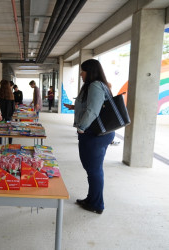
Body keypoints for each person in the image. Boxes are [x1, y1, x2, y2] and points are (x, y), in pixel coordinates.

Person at [72, 59, 115, 214]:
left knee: (94, 169)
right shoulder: (97, 85)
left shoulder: (96, 85)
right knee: (93, 169)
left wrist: (81, 127)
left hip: (94, 134)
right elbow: (89, 106)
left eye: (83, 71)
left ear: (90, 71)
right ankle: (92, 199)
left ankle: (97, 204)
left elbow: (93, 111)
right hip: (97, 134)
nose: (81, 74)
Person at [0, 80, 15, 145]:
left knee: (0, 130)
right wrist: (10, 114)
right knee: (9, 130)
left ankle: (0, 144)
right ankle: (10, 143)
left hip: (1, 115)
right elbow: (13, 108)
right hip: (9, 116)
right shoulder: (11, 95)